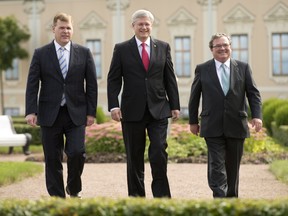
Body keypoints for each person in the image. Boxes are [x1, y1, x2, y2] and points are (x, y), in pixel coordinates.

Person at [107, 9, 180, 198]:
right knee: (134, 156)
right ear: (133, 26)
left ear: (151, 26)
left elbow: (169, 77)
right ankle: (136, 198)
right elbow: (114, 79)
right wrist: (114, 105)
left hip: (159, 108)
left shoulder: (163, 47)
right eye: (140, 24)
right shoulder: (121, 49)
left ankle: (162, 198)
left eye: (147, 24)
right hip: (131, 110)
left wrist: (175, 105)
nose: (144, 27)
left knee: (158, 151)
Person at [25, 12, 98, 198]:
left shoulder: (84, 52)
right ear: (54, 29)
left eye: (68, 28)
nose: (65, 31)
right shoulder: (41, 54)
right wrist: (31, 111)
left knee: (77, 153)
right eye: (61, 28)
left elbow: (91, 85)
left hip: (76, 113)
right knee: (52, 158)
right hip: (50, 113)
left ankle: (73, 188)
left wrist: (91, 112)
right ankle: (57, 198)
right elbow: (33, 83)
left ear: (72, 30)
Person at [188, 33, 262, 198]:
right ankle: (220, 198)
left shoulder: (243, 67)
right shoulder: (202, 69)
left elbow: (253, 94)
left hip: (237, 124)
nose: (222, 48)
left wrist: (257, 116)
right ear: (212, 49)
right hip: (211, 124)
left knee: (232, 167)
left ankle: (231, 200)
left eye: (225, 45)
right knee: (216, 164)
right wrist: (193, 121)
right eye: (218, 46)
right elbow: (194, 97)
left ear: (230, 47)